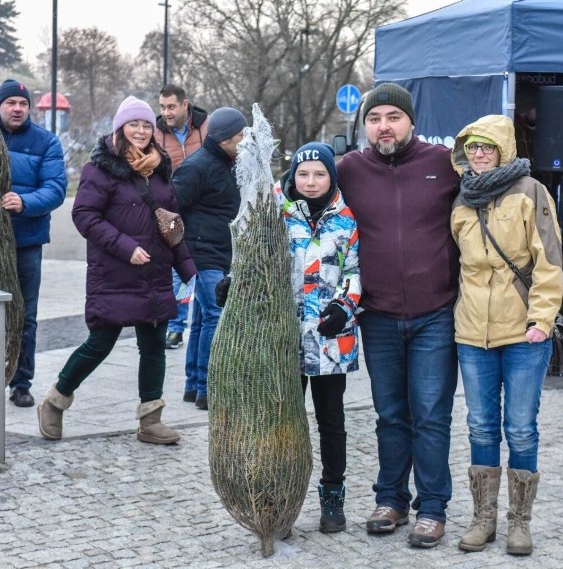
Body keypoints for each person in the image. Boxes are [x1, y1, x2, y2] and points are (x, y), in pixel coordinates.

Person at [336, 83, 460, 548]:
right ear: (364, 125)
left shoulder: (443, 164)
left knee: (430, 414)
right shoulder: (349, 169)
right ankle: (390, 499)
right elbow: (300, 200)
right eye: (374, 118)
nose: (383, 126)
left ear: (410, 121)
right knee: (390, 414)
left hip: (435, 313)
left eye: (392, 116)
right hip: (379, 313)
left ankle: (432, 508)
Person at [216, 141, 362, 533]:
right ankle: (277, 492)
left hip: (331, 340)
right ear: (293, 176)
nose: (311, 182)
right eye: (303, 174)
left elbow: (355, 270)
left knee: (331, 420)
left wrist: (344, 306)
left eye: (319, 174)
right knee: (280, 415)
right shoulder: (276, 212)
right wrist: (234, 281)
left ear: (331, 177)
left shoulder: (346, 219)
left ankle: (333, 493)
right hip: (282, 337)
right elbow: (250, 253)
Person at [36, 96, 197, 444]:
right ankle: (55, 400)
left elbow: (171, 224)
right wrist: (126, 247)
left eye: (145, 125)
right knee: (100, 343)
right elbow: (85, 216)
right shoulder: (101, 168)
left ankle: (150, 421)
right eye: (133, 124)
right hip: (114, 272)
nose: (140, 130)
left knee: (153, 345)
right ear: (120, 128)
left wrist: (187, 267)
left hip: (155, 273)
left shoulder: (161, 168)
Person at [449, 115, 562, 555]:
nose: (479, 154)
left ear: (504, 150)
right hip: (473, 331)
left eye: (487, 147)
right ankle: (483, 519)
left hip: (524, 333)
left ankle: (519, 522)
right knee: (479, 426)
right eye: (473, 147)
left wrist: (541, 321)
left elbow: (549, 262)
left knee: (520, 429)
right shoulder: (461, 199)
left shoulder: (531, 192)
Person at [0, 78, 68, 408]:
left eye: (23, 104)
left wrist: (24, 202)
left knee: (26, 313)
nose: (17, 108)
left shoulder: (46, 142)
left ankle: (21, 381)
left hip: (26, 240)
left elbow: (55, 188)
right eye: (11, 102)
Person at [172, 107, 246, 411]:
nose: (245, 140)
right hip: (201, 253)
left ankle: (193, 386)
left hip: (219, 251)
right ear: (225, 138)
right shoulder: (197, 166)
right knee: (217, 315)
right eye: (241, 135)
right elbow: (172, 209)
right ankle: (207, 388)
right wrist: (181, 252)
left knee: (203, 319)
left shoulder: (229, 163)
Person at [155, 84, 210, 350]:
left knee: (204, 266)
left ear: (184, 104)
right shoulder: (156, 133)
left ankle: (202, 323)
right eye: (162, 107)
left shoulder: (206, 126)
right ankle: (175, 328)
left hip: (205, 209)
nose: (166, 112)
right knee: (178, 269)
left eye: (171, 107)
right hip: (173, 206)